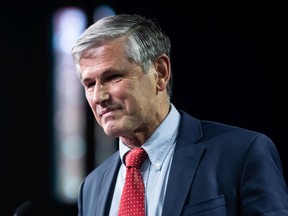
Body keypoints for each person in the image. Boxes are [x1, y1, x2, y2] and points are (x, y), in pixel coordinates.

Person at [71, 14, 288, 216]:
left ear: (160, 72)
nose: (99, 96)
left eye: (113, 76)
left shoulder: (241, 154)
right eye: (89, 84)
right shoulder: (91, 187)